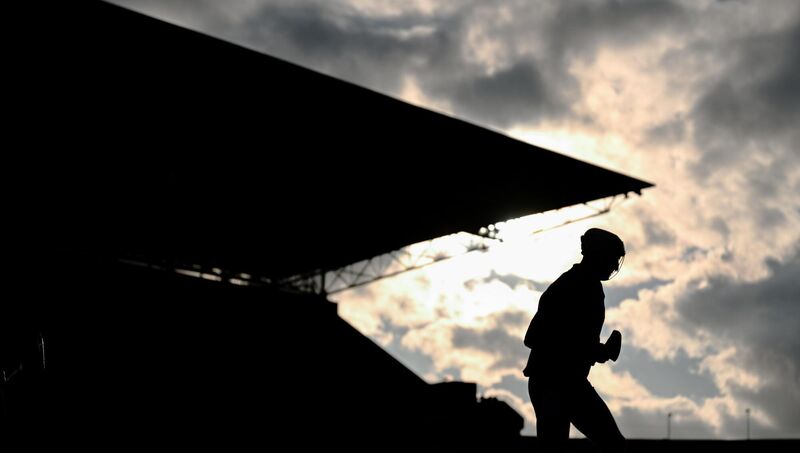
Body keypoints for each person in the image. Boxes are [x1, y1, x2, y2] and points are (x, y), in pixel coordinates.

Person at [523, 228, 626, 452]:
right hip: (556, 383)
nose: (614, 266)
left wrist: (592, 350)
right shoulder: (573, 286)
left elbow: (561, 337)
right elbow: (534, 337)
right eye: (612, 258)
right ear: (597, 254)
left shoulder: (586, 285)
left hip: (565, 382)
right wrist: (592, 350)